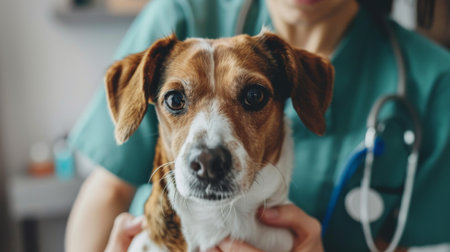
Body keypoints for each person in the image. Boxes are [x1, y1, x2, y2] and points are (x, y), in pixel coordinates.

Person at [65, 0, 450, 251]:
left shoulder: (432, 81)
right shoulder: (184, 13)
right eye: (177, 101)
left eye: (251, 97)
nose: (208, 156)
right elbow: (108, 190)